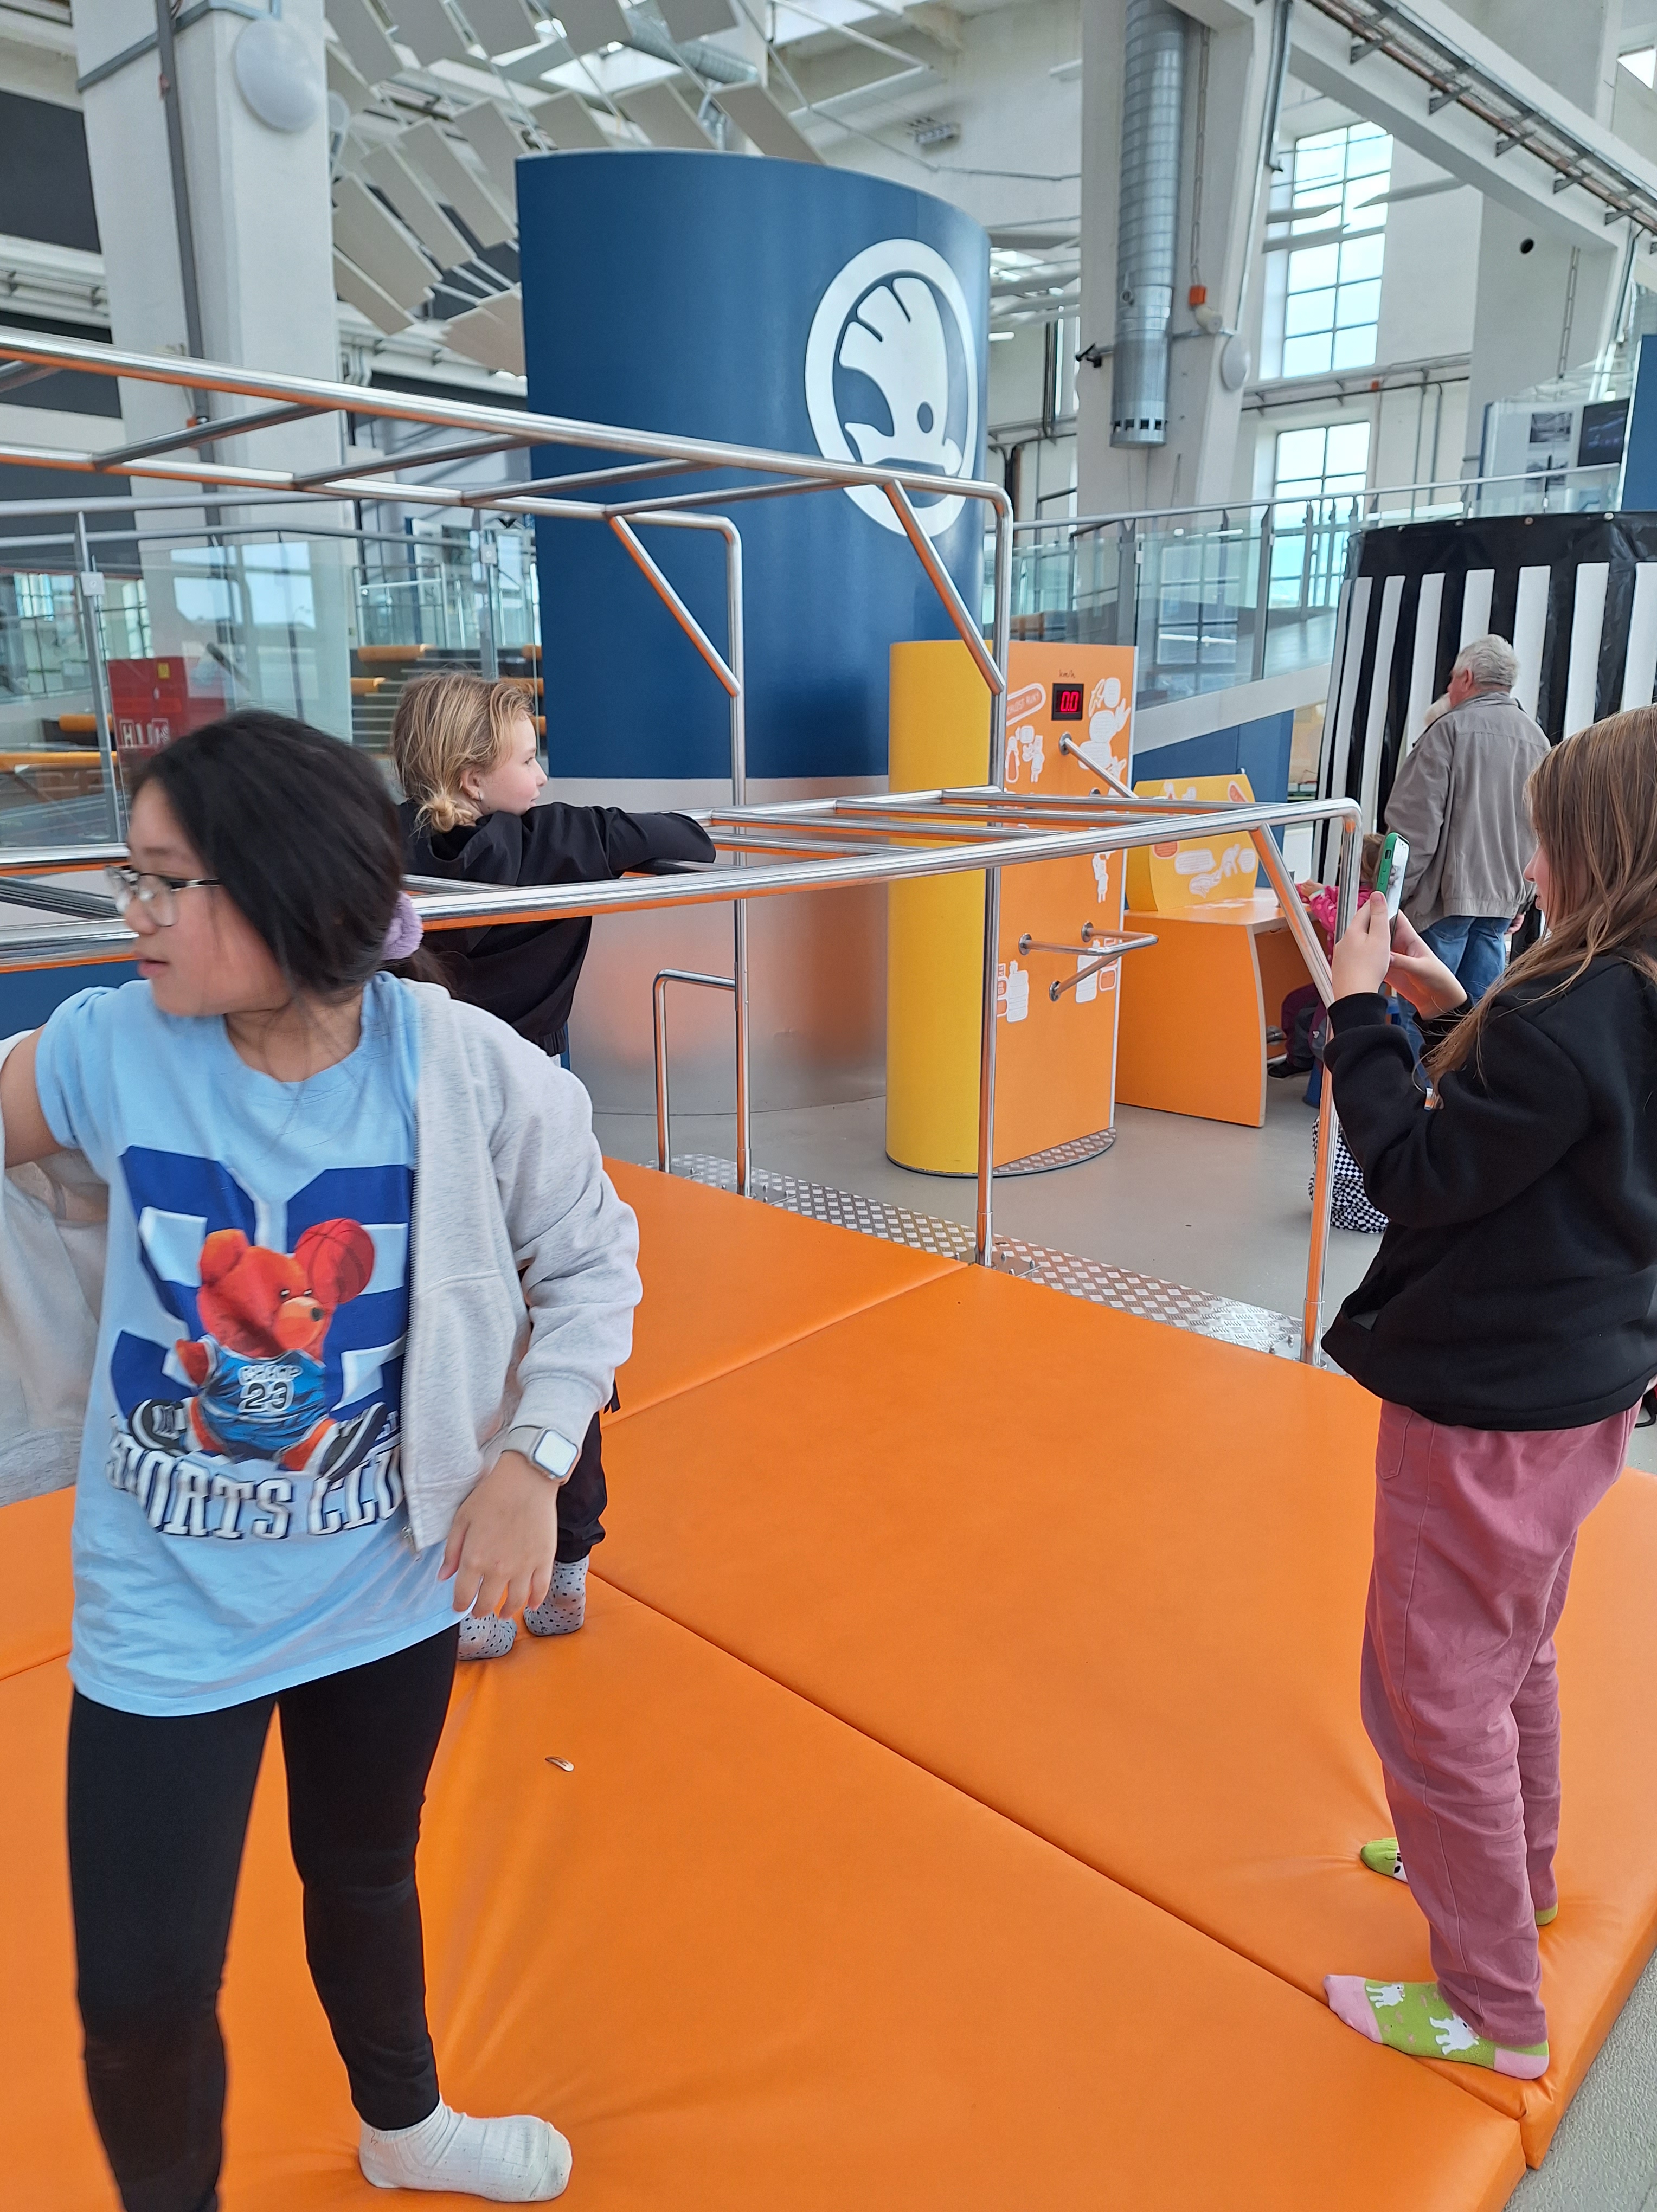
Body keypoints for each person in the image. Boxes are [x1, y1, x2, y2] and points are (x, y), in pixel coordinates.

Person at [0, 710, 641, 2209]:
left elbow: (591, 1257)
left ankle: (402, 2124)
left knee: (363, 1874)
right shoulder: (107, 1047)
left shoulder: (465, 1071)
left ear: (283, 896)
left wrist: (531, 1461)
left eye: (165, 881)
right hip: (166, 1606)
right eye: (129, 877)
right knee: (142, 1995)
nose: (133, 914)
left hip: (381, 1584)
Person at [1316, 708, 1657, 2081]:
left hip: (1482, 1408)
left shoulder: (1559, 1016)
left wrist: (1355, 1014)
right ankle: (1514, 1873)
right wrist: (1448, 1010)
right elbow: (1574, 1129)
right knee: (1510, 1650)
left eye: (1545, 838)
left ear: (1599, 849)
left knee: (1428, 1698)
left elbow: (1415, 1175)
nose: (1527, 864)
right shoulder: (1619, 998)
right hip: (1583, 1392)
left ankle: (1490, 2003)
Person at [393, 671, 713, 1661]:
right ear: (472, 777)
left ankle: (476, 1585)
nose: (542, 774)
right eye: (528, 758)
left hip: (419, 1122)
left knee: (453, 1334)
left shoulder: (382, 845)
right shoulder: (555, 840)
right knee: (555, 1329)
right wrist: (604, 846)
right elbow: (689, 840)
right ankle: (565, 1564)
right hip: (527, 1118)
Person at [1382, 631, 1547, 1006]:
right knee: (1478, 1019)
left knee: (1427, 1014)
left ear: (1468, 678)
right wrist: (1524, 898)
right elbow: (1543, 829)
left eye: (1453, 679)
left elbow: (1414, 830)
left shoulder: (1448, 731)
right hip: (1501, 907)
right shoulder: (1538, 739)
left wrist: (1389, 900)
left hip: (1442, 905)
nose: (1449, 688)